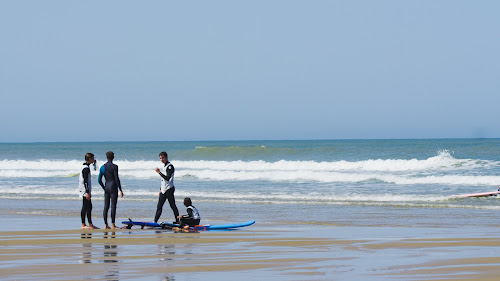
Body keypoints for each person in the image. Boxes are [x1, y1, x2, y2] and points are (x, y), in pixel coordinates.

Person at [98, 151, 123, 229]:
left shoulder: (102, 167)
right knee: (113, 206)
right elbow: (116, 179)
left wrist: (104, 187)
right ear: (113, 157)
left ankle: (105, 225)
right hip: (113, 187)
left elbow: (99, 180)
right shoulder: (115, 167)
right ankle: (113, 224)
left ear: (106, 157)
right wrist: (120, 189)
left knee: (106, 206)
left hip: (107, 187)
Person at [154, 151, 179, 223]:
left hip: (169, 189)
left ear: (166, 157)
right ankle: (155, 221)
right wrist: (160, 189)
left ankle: (177, 221)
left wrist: (159, 172)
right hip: (163, 190)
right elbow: (163, 180)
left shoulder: (170, 166)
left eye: (163, 158)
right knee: (159, 206)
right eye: (160, 158)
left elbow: (167, 178)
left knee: (173, 206)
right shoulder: (164, 166)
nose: (161, 160)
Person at [79, 153, 99, 229]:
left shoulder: (86, 166)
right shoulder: (85, 168)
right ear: (89, 159)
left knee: (89, 206)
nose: (94, 160)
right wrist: (87, 192)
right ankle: (83, 224)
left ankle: (90, 224)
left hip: (85, 190)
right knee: (85, 206)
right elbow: (85, 181)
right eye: (93, 158)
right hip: (84, 191)